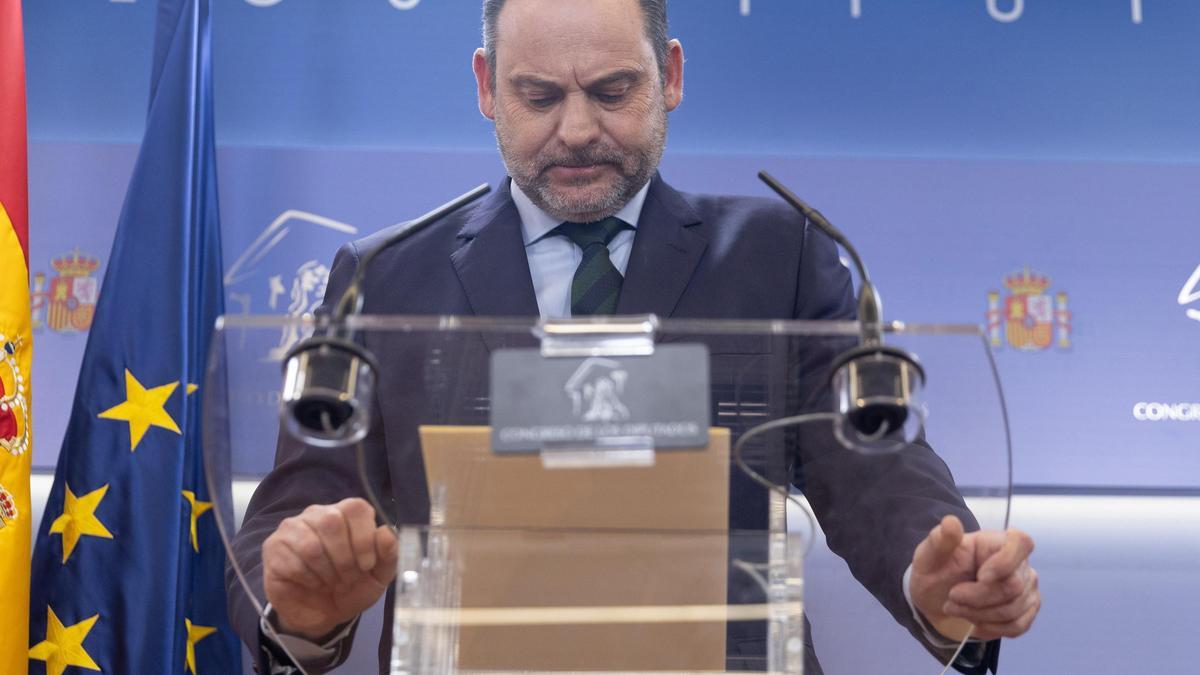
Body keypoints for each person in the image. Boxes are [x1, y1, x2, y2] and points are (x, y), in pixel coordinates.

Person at [229, 1, 1040, 673]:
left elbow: (874, 466)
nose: (578, 128)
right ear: (486, 87)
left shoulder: (779, 256)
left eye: (612, 91)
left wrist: (934, 573)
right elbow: (298, 507)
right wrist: (299, 607)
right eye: (539, 96)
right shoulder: (384, 278)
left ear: (671, 76)